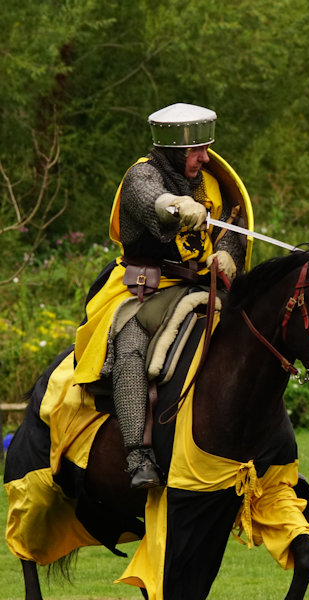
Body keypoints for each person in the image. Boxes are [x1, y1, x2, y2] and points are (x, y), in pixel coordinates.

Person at [74, 103, 249, 488]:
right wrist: (176, 205)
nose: (205, 158)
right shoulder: (141, 175)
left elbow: (231, 225)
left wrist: (227, 254)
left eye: (206, 149)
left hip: (202, 285)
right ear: (174, 150)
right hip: (145, 287)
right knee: (131, 345)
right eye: (196, 151)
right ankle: (138, 455)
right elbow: (151, 200)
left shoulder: (211, 184)